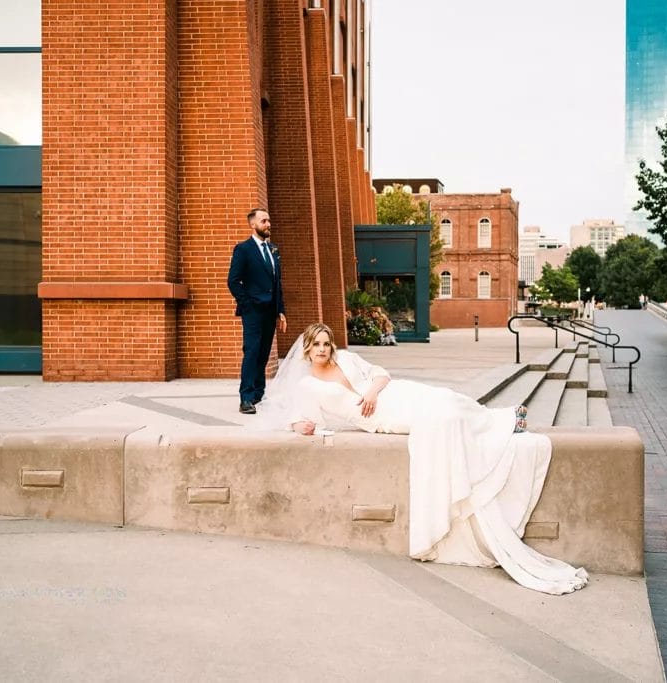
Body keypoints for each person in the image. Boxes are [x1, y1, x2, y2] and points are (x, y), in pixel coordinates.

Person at [251, 322, 588, 595]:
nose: (323, 349)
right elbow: (298, 421)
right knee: (439, 419)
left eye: (327, 343)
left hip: (391, 395)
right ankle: (502, 424)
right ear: (307, 349)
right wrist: (302, 426)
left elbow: (382, 374)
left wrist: (371, 390)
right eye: (317, 345)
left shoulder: (349, 360)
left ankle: (503, 419)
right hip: (378, 419)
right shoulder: (308, 385)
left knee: (444, 398)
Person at [227, 208, 287, 414]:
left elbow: (277, 283)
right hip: (253, 311)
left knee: (263, 354)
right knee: (251, 352)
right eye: (263, 221)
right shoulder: (243, 249)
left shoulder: (274, 250)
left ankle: (258, 395)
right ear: (253, 225)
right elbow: (233, 281)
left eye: (268, 220)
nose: (268, 224)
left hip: (271, 311)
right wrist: (247, 304)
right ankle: (245, 398)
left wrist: (281, 311)